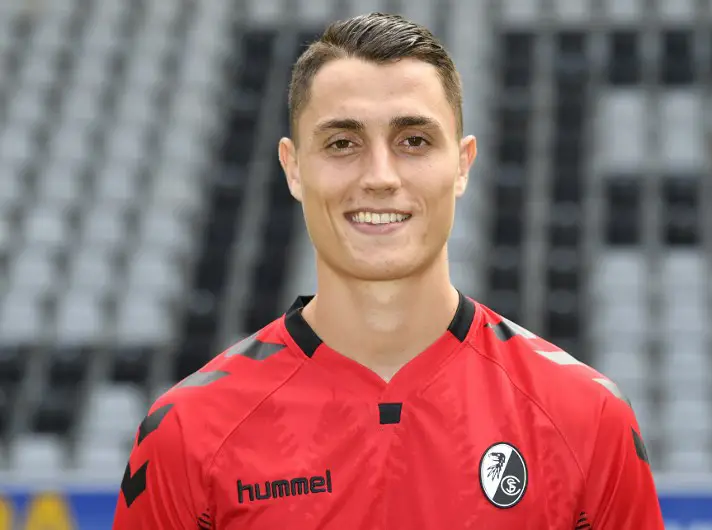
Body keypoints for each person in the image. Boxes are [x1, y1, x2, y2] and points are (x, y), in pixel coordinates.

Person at [112, 12, 664, 529]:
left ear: (462, 165)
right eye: (343, 142)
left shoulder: (586, 416)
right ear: (294, 167)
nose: (380, 176)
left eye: (414, 141)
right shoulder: (187, 432)